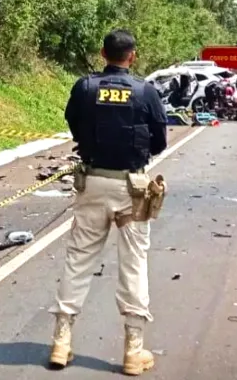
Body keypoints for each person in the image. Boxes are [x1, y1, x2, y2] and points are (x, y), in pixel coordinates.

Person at [51, 29, 168, 376]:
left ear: (102, 53)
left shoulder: (84, 88)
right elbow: (160, 139)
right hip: (132, 187)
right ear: (131, 56)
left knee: (78, 260)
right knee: (133, 265)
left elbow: (74, 124)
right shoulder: (145, 91)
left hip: (93, 183)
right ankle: (133, 352)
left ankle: (61, 342)